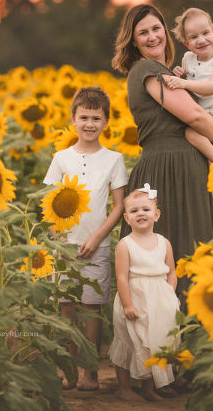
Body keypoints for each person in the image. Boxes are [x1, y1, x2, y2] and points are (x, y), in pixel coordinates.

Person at [111, 4, 213, 281]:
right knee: (181, 252)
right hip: (171, 169)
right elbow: (194, 115)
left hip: (178, 166)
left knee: (187, 253)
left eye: (156, 28)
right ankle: (177, 320)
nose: (152, 36)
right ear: (133, 41)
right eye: (143, 32)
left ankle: (187, 320)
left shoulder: (173, 71)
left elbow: (209, 106)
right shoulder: (148, 69)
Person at [43, 86, 128, 391]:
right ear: (73, 119)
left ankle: (90, 374)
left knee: (92, 310)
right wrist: (58, 240)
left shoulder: (114, 159)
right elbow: (49, 202)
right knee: (67, 310)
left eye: (96, 118)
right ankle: (69, 371)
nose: (90, 124)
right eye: (84, 117)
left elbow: (119, 206)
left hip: (98, 245)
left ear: (106, 121)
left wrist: (95, 238)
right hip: (65, 245)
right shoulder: (61, 158)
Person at [109, 186, 179, 401]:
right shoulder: (125, 244)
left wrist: (169, 295)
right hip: (134, 297)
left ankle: (149, 388)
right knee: (128, 340)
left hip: (159, 300)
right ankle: (124, 387)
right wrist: (128, 304)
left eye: (146, 209)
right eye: (134, 211)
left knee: (153, 341)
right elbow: (122, 277)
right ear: (126, 218)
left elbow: (172, 272)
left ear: (156, 215)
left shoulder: (164, 243)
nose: (140, 213)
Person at [167, 7, 213, 163]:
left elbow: (212, 87)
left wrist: (184, 83)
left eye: (206, 33)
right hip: (202, 112)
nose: (201, 40)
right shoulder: (187, 58)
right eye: (194, 37)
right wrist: (179, 75)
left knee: (190, 134)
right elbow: (188, 81)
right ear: (187, 44)